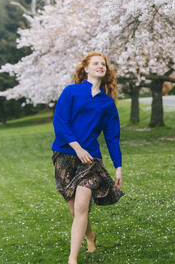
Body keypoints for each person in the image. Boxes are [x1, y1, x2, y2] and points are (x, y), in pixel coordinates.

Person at [51, 51, 124, 264]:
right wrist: (77, 148)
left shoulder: (107, 104)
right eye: (96, 63)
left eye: (104, 64)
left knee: (82, 206)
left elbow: (112, 137)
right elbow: (60, 123)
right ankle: (90, 235)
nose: (101, 66)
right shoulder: (71, 92)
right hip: (65, 155)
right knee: (76, 211)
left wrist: (118, 166)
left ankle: (72, 259)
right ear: (86, 68)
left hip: (90, 160)